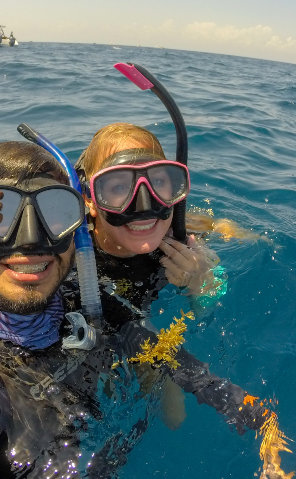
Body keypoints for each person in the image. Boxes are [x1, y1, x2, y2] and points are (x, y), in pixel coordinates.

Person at [0, 141, 265, 479]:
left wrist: (261, 421)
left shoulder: (76, 294)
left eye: (54, 216)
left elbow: (164, 352)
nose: (31, 243)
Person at [74, 122, 225, 330]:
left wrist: (201, 285)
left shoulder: (185, 236)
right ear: (89, 199)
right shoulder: (72, 255)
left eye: (158, 182)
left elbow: (210, 315)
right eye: (119, 186)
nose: (144, 205)